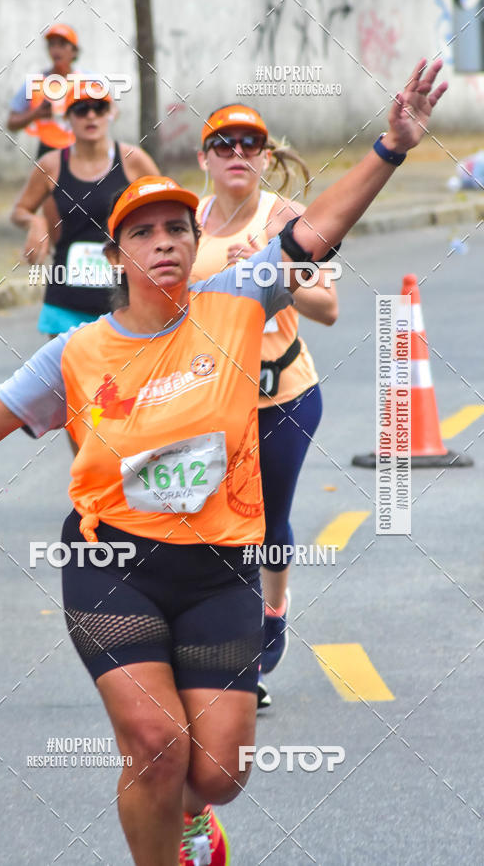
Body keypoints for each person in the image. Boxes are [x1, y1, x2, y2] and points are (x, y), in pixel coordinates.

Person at [0, 59, 446, 866]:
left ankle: (191, 818)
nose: (164, 243)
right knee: (154, 741)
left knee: (216, 770)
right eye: (143, 233)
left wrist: (390, 149)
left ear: (194, 241)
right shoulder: (78, 352)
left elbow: (316, 233)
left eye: (177, 229)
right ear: (119, 255)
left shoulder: (241, 299)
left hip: (220, 566)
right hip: (115, 562)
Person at [190, 104, 338, 707]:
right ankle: (230, 654)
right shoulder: (187, 222)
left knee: (265, 526)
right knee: (213, 528)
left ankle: (270, 615)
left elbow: (328, 308)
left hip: (284, 397)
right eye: (222, 145)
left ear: (266, 157)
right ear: (204, 159)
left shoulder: (288, 221)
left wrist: (271, 275)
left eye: (249, 144)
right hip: (209, 402)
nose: (236, 154)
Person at [11, 80, 160, 337]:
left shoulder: (133, 160)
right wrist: (36, 224)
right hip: (67, 298)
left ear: (110, 114)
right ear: (68, 118)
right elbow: (20, 210)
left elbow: (165, 209)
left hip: (124, 297)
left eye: (99, 108)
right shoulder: (52, 164)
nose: (91, 115)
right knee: (67, 376)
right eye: (81, 109)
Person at [7, 23, 82, 158]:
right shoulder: (35, 83)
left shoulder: (86, 81)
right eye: (52, 45)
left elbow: (111, 111)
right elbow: (12, 123)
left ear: (74, 51)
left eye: (62, 44)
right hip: (47, 152)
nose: (56, 50)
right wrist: (36, 114)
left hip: (80, 150)